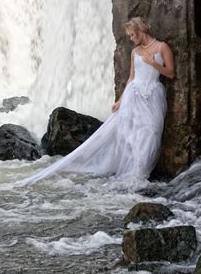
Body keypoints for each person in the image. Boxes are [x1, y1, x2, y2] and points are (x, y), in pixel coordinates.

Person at [17, 17, 174, 186]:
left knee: (151, 132)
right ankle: (134, 175)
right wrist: (120, 101)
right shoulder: (134, 52)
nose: (130, 38)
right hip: (133, 96)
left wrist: (153, 64)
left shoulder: (161, 47)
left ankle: (141, 173)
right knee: (130, 135)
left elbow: (171, 73)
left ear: (140, 31)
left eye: (131, 35)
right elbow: (131, 78)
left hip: (152, 95)